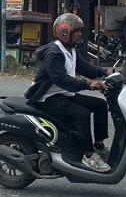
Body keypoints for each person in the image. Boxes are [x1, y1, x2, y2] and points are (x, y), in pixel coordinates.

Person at [26, 13, 112, 172]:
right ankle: (88, 155)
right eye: (76, 32)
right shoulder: (55, 53)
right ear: (64, 32)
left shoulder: (70, 50)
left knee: (100, 105)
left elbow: (84, 67)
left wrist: (105, 72)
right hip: (48, 98)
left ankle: (98, 145)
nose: (80, 34)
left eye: (80, 31)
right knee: (82, 114)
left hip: (63, 94)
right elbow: (61, 79)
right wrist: (88, 84)